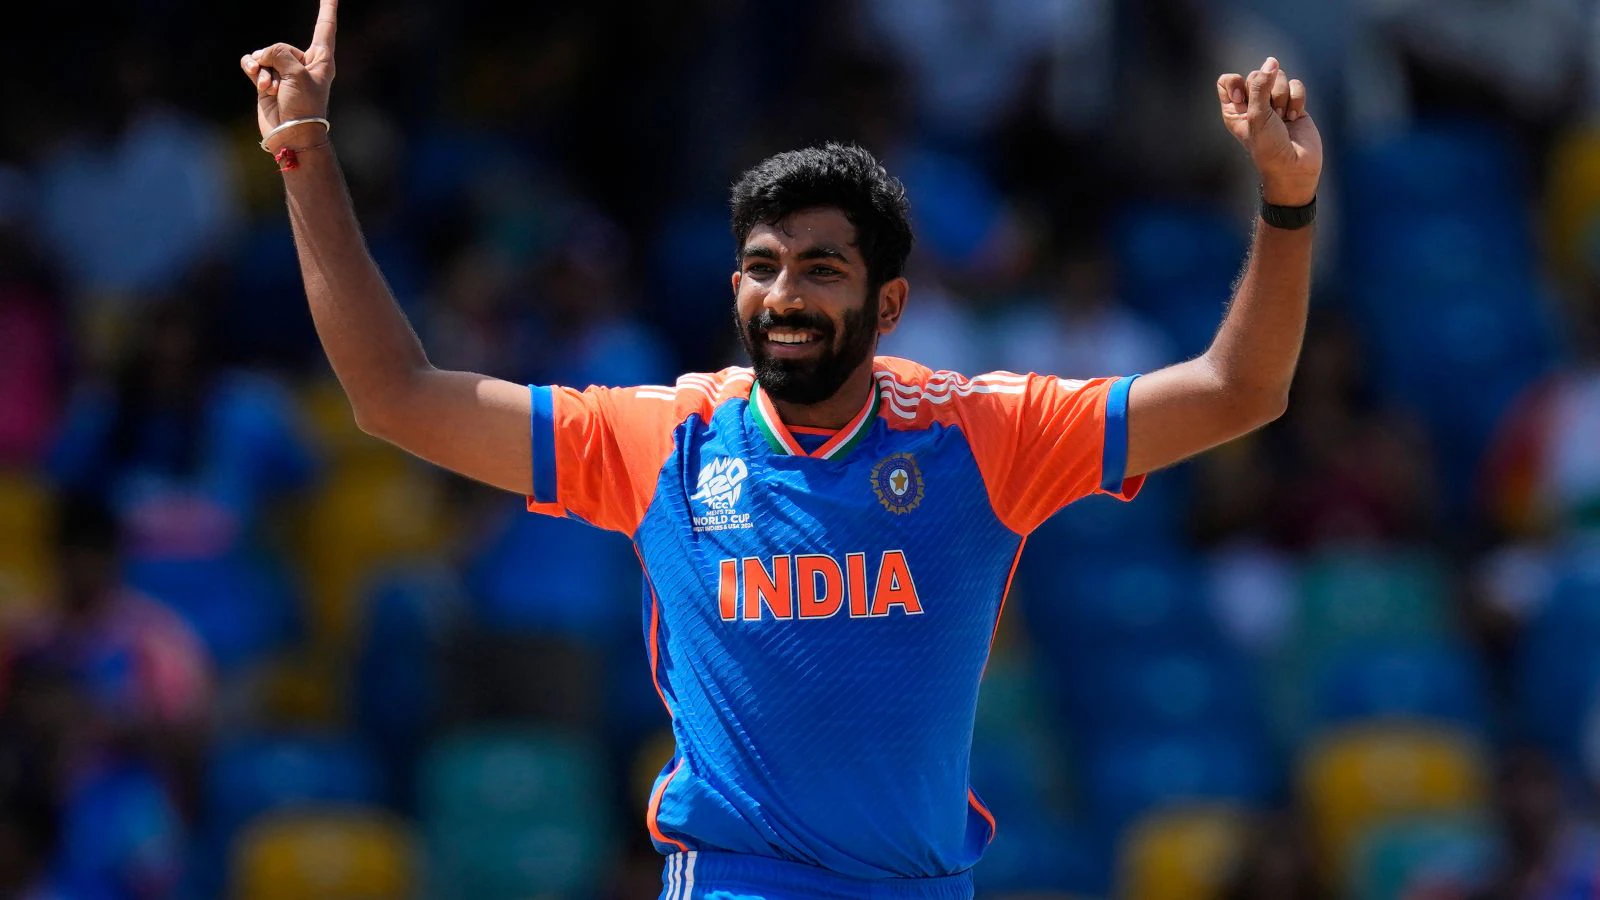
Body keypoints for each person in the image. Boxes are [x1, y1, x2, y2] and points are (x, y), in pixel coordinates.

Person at [240, 3, 1321, 895]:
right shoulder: (662, 440)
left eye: (821, 268)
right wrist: (304, 157)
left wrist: (1285, 202)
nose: (784, 295)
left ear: (889, 302)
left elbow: (1241, 390)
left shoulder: (985, 434)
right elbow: (393, 396)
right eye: (763, 266)